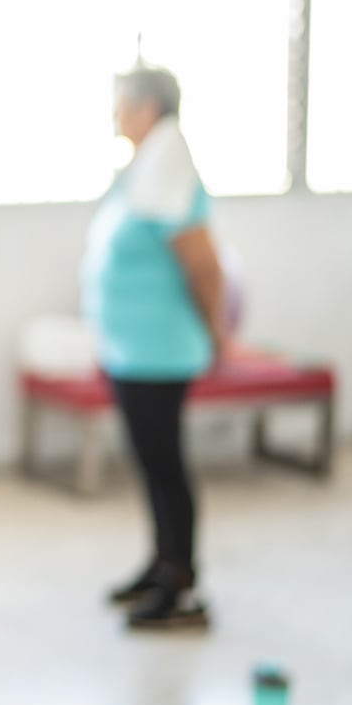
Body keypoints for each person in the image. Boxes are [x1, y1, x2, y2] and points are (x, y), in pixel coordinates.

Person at [81, 64, 232, 632]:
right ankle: (161, 563)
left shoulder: (170, 167)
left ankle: (182, 585)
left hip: (160, 350)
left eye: (122, 102)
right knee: (149, 464)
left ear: (148, 108)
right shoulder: (148, 165)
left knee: (166, 466)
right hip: (133, 349)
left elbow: (204, 266)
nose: (115, 113)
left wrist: (219, 333)